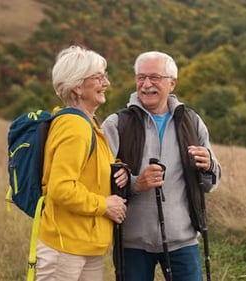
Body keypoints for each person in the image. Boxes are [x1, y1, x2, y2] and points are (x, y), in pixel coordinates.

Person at [102, 51, 222, 281]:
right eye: (141, 77)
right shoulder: (116, 124)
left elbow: (212, 181)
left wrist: (208, 166)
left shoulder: (191, 121)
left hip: (183, 240)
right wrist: (137, 183)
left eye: (155, 77)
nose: (146, 84)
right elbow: (99, 182)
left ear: (172, 83)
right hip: (131, 241)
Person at [36, 45, 129, 281]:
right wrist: (104, 205)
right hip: (65, 247)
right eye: (98, 77)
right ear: (78, 86)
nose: (106, 83)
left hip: (85, 246)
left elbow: (89, 172)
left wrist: (119, 172)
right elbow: (61, 188)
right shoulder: (75, 127)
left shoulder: (89, 124)